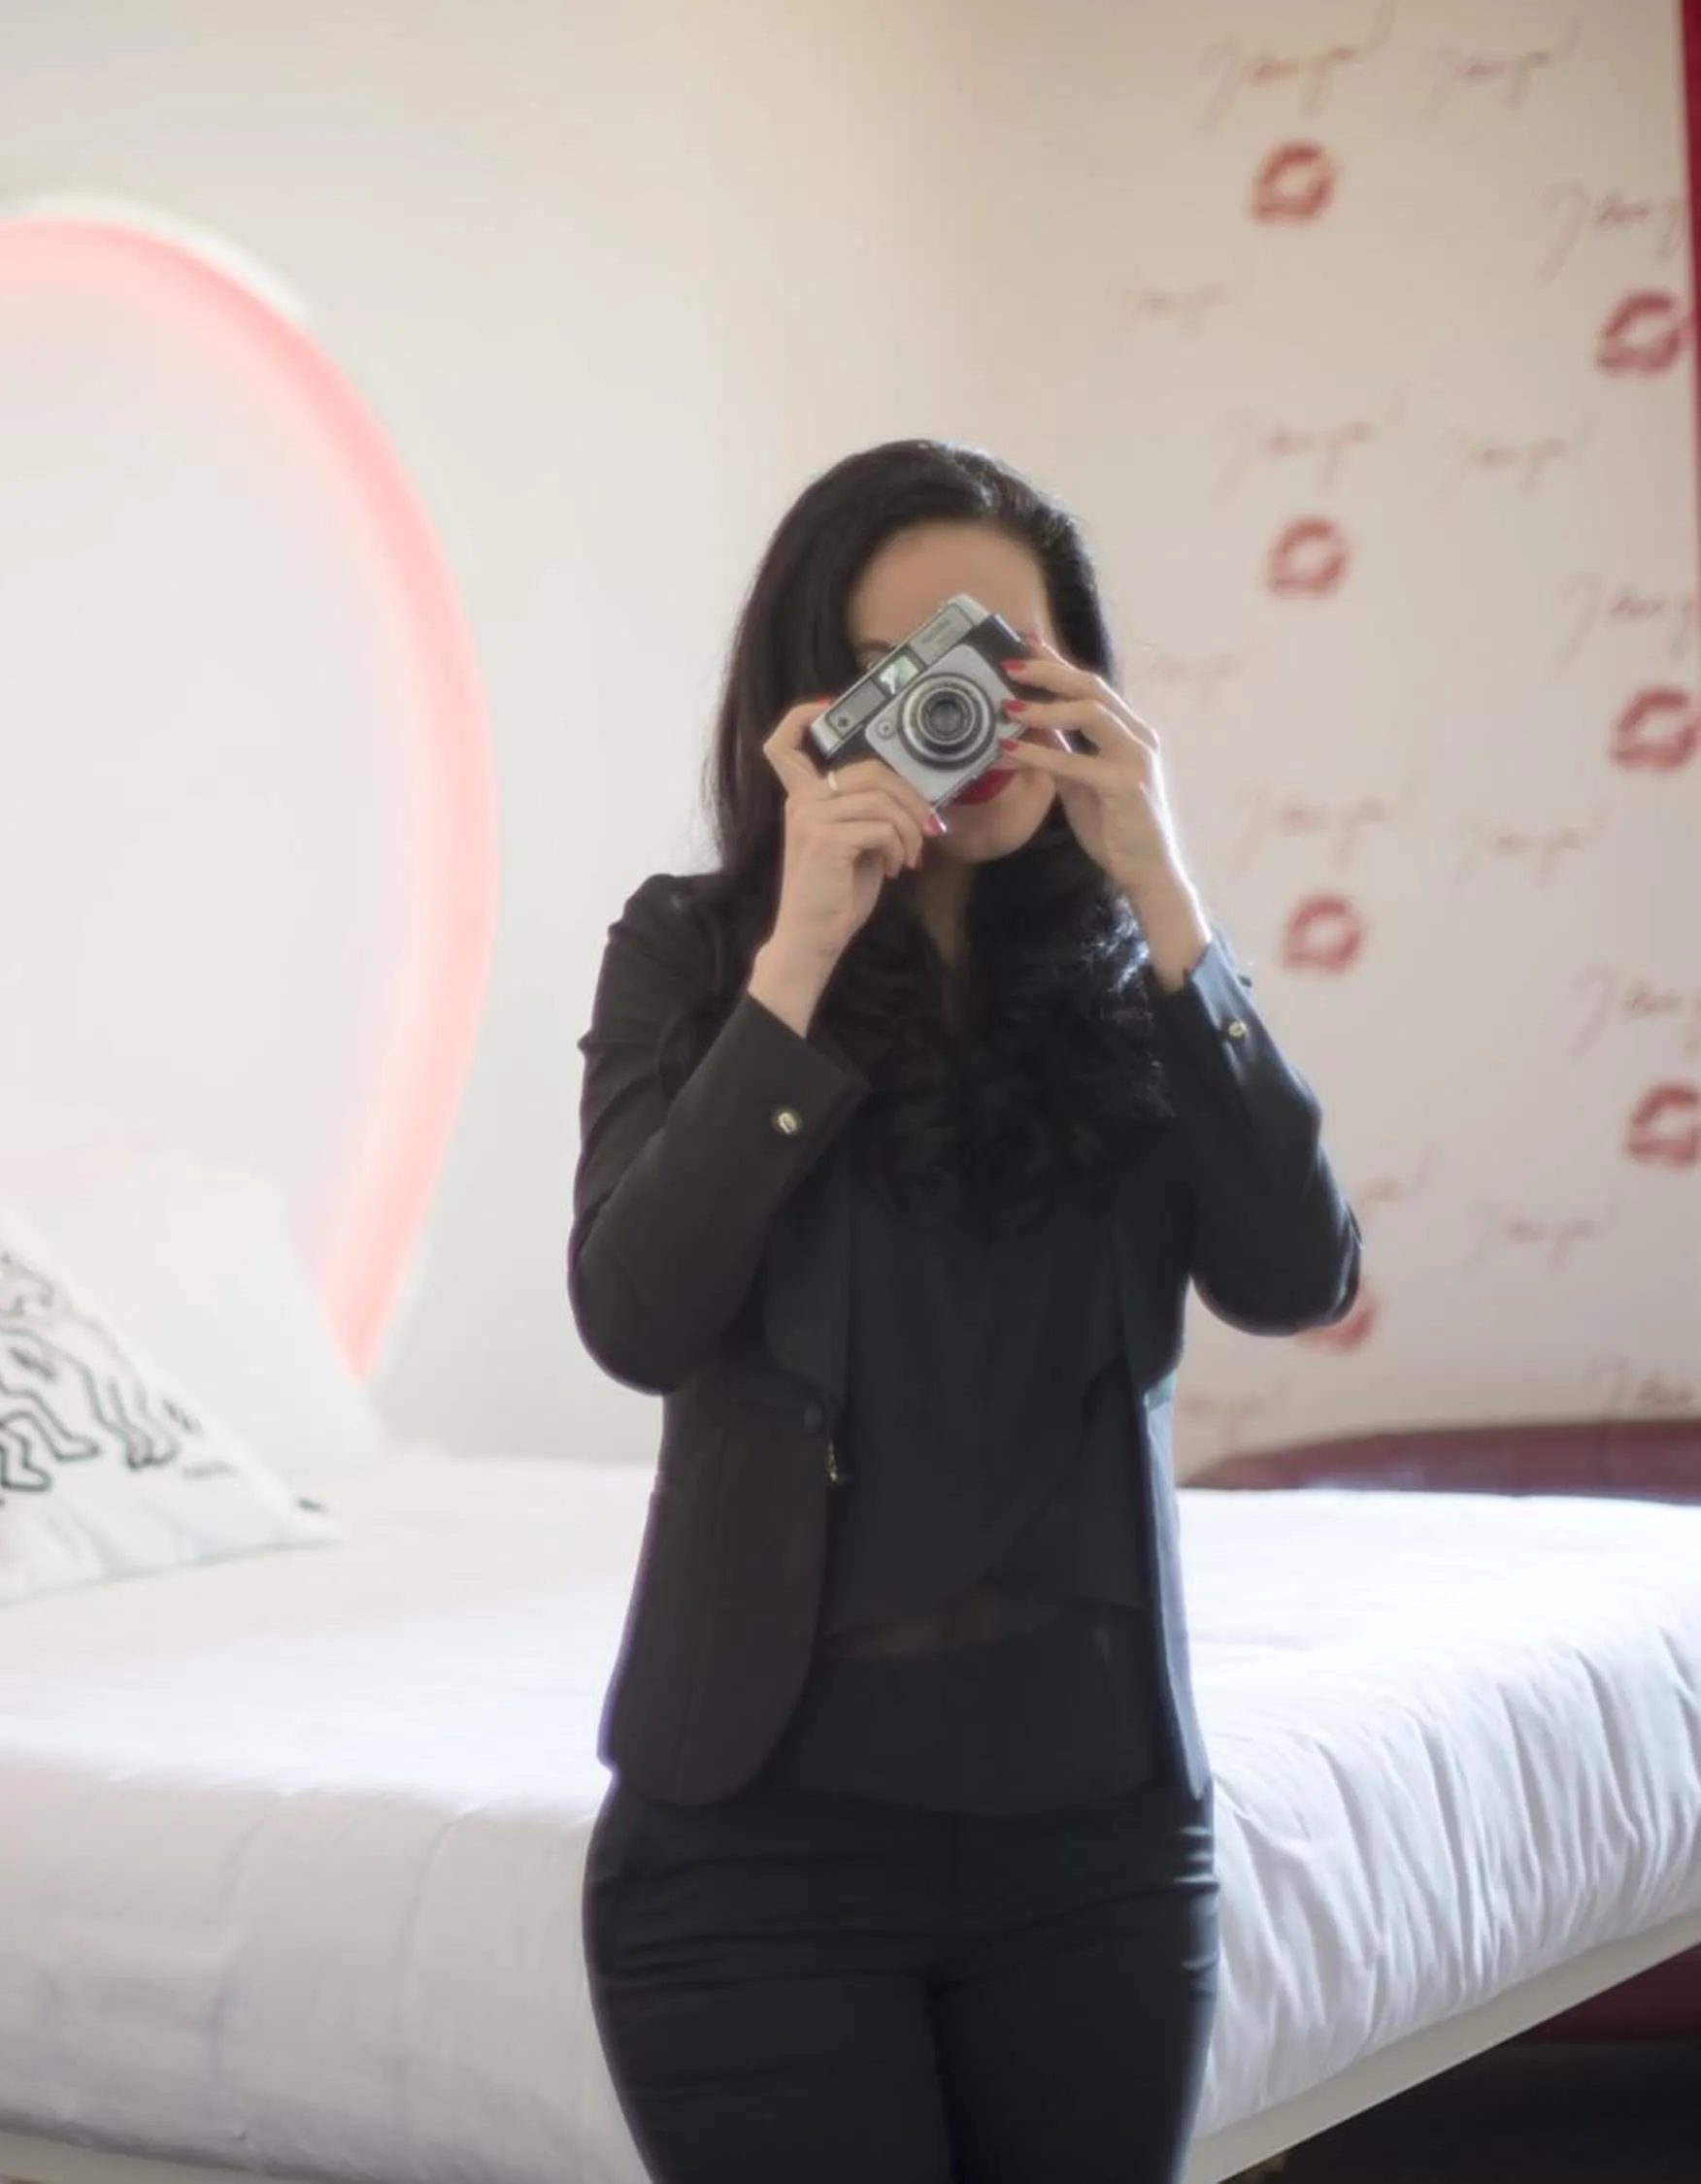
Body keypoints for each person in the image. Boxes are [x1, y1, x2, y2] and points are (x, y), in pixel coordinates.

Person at [569, 439, 1363, 2182]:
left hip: (1096, 1840)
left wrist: (1170, 898)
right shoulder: (699, 956)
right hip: (753, 1852)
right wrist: (800, 958)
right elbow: (636, 1312)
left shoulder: (1132, 982)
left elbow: (1298, 1274)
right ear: (815, 705)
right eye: (911, 670)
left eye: (1011, 659)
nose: (972, 711)